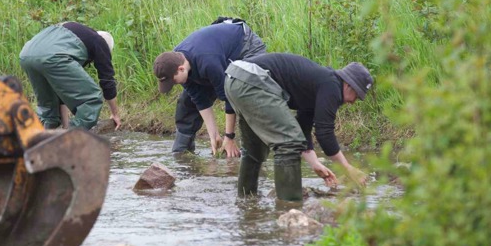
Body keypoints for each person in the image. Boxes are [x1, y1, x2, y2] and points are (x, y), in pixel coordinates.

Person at [223, 53, 372, 201]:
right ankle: (289, 206)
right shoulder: (332, 86)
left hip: (236, 76)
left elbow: (303, 128)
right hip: (252, 80)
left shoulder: (319, 85)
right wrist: (347, 168)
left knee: (255, 148)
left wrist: (315, 163)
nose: (353, 102)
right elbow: (324, 133)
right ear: (348, 85)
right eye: (357, 96)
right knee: (288, 143)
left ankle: (246, 200)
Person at [153, 18, 266, 157]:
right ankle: (182, 152)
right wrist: (214, 136)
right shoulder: (176, 60)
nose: (174, 84)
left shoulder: (208, 62)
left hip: (246, 46)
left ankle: (253, 150)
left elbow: (229, 97)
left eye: (173, 81)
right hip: (216, 53)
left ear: (181, 69)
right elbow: (199, 100)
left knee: (241, 89)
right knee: (187, 100)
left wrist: (229, 137)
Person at [19, 22, 121, 130]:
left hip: (26, 54)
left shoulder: (74, 35)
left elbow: (62, 91)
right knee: (92, 99)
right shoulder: (100, 41)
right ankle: (71, 141)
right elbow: (107, 81)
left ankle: (38, 141)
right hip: (52, 56)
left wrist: (65, 126)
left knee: (48, 109)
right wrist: (115, 114)